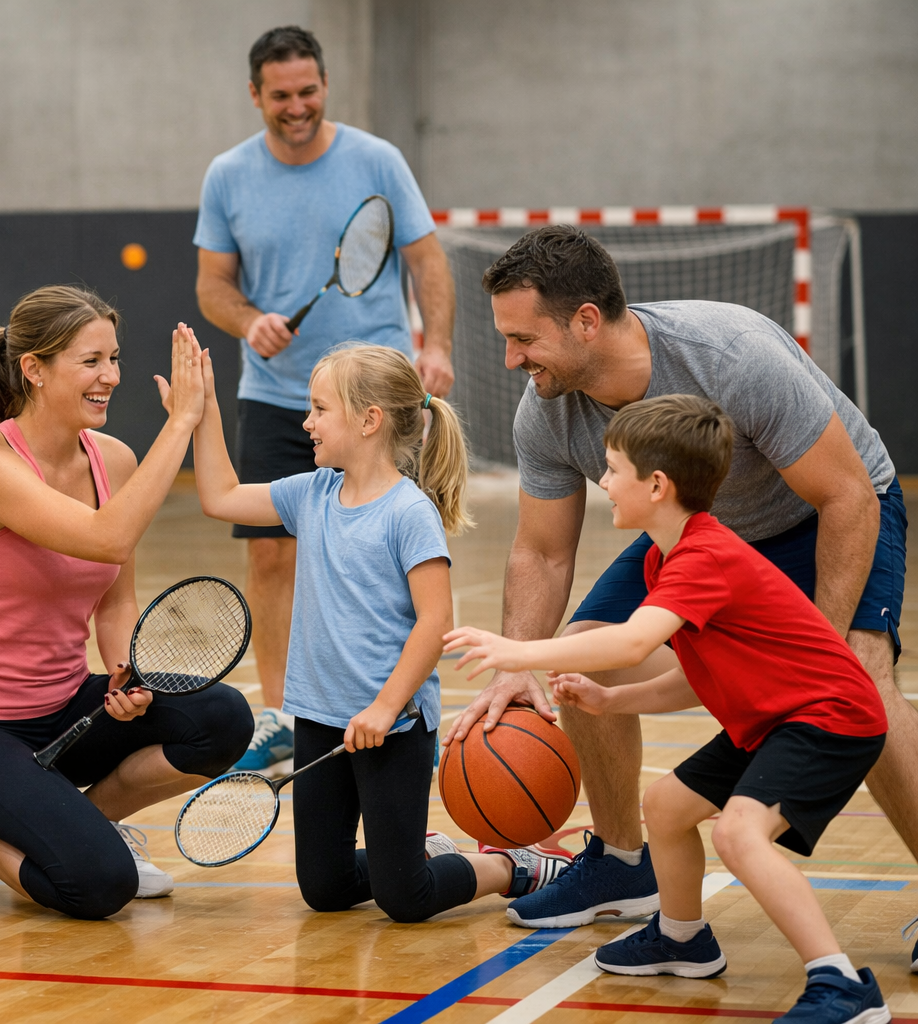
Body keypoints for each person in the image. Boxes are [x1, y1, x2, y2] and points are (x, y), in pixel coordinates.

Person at [450, 226, 917, 963]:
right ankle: (622, 863)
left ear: (585, 321)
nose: (511, 359)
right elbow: (542, 550)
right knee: (582, 654)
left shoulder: (730, 356)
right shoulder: (545, 410)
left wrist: (815, 654)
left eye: (524, 339)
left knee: (858, 679)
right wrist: (517, 666)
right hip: (698, 532)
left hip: (828, 511)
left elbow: (846, 496)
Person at [446, 395, 891, 1024]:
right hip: (778, 718)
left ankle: (841, 986)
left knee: (738, 834)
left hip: (830, 717)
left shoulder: (704, 556)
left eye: (612, 470)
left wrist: (517, 650)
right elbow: (695, 675)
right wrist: (612, 698)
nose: (603, 482)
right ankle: (683, 940)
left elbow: (632, 642)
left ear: (656, 486)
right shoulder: (665, 556)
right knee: (666, 806)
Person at [193, 342, 569, 920]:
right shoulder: (311, 494)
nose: (306, 422)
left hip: (394, 725)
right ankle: (417, 852)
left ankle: (511, 866)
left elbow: (435, 623)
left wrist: (384, 707)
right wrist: (203, 410)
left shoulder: (408, 512)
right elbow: (220, 497)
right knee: (325, 889)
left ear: (369, 420)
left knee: (405, 899)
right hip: (320, 717)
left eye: (320, 409)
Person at [0, 285, 252, 921]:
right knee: (98, 887)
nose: (111, 377)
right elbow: (108, 537)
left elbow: (116, 600)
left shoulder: (114, 460)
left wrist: (128, 674)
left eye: (114, 358)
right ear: (34, 369)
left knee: (223, 716)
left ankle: (83, 828)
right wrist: (181, 421)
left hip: (64, 704)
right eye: (91, 361)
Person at [194, 25, 456, 771]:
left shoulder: (378, 159)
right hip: (278, 393)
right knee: (271, 556)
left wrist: (436, 345)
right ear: (256, 95)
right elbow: (212, 286)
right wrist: (249, 320)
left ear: (325, 85)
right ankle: (286, 716)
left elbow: (426, 261)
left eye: (308, 90)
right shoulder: (228, 175)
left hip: (374, 398)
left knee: (392, 554)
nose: (297, 106)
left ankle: (400, 704)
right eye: (281, 95)